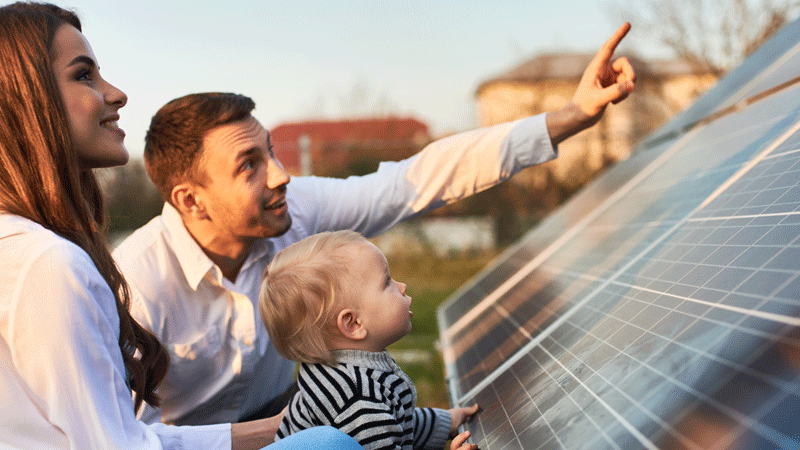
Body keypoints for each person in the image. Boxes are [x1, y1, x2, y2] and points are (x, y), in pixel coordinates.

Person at [113, 23, 636, 427]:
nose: (280, 174)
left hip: (295, 421)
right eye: (249, 164)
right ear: (192, 200)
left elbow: (417, 179)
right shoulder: (136, 285)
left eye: (270, 151)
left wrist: (570, 116)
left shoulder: (293, 210)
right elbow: (122, 437)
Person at [0, 3, 362, 449]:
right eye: (83, 75)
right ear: (24, 103)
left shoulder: (23, 249)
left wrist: (272, 429)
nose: (116, 94)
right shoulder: (50, 266)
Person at [259, 230, 480, 450]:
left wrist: (446, 422)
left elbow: (399, 422)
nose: (402, 287)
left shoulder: (352, 370)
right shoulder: (357, 403)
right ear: (353, 324)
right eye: (387, 282)